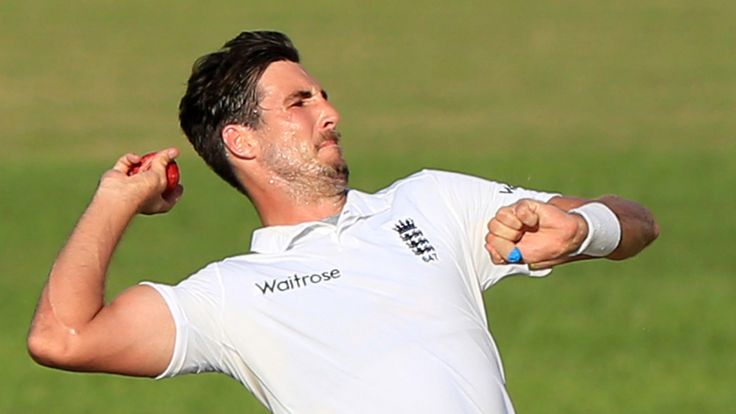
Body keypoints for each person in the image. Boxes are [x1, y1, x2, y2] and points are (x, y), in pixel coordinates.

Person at [27, 31, 659, 413]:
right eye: (299, 103)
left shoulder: (431, 204)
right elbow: (63, 339)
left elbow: (638, 222)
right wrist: (115, 198)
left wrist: (586, 230)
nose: (329, 113)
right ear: (241, 142)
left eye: (323, 96)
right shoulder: (229, 295)